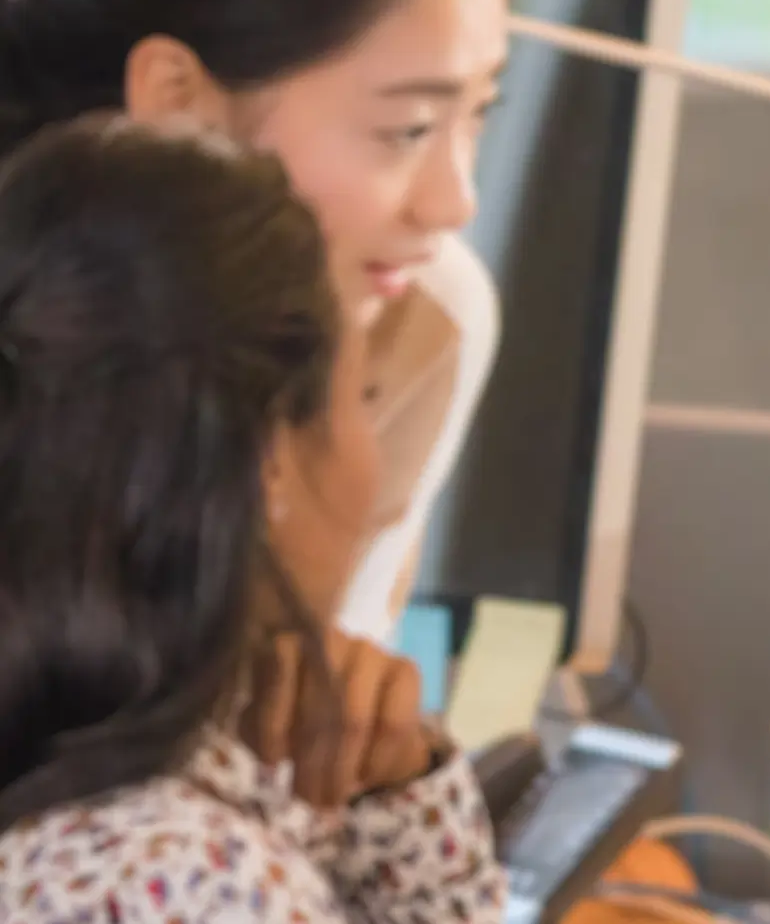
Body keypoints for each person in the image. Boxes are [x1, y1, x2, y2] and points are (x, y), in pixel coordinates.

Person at [0, 119, 503, 921]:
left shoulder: (129, 795)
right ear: (269, 453)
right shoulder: (199, 879)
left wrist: (399, 797)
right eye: (357, 400)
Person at [0, 0, 518, 640]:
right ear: (177, 97)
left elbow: (307, 713)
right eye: (409, 128)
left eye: (480, 115)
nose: (455, 203)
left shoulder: (421, 317)